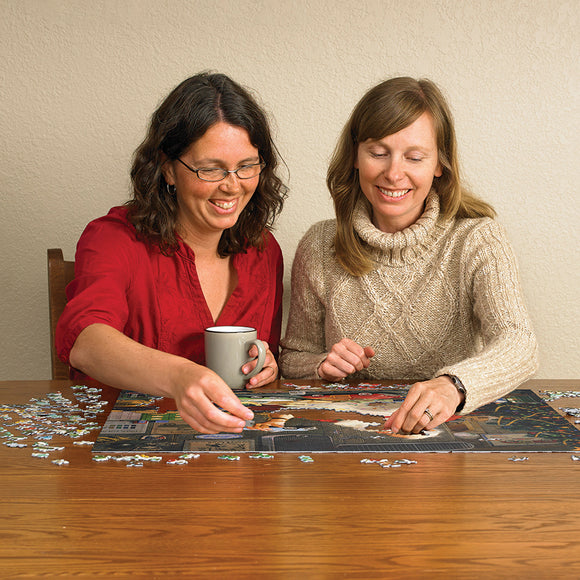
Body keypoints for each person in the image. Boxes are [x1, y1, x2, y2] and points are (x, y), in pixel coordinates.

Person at [280, 76, 538, 434]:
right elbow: (292, 359)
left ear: (439, 164)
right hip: (348, 440)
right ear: (356, 156)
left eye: (414, 157)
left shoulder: (478, 238)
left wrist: (453, 386)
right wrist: (323, 365)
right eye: (378, 153)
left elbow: (519, 343)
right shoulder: (319, 244)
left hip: (451, 437)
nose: (393, 173)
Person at [56, 72, 287, 434]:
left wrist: (268, 365)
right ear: (167, 168)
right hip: (123, 460)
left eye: (246, 166)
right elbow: (86, 342)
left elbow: (263, 362)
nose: (232, 185)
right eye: (209, 169)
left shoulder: (264, 251)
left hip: (233, 455)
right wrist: (181, 377)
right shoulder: (113, 239)